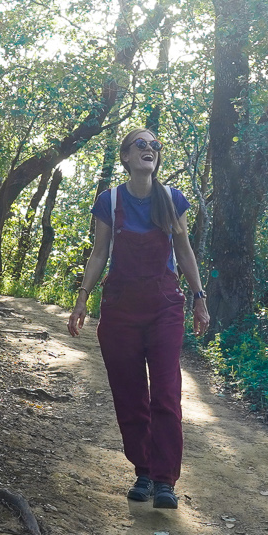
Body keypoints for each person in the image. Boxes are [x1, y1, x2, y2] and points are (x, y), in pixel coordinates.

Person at [66, 128, 212, 509]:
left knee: (165, 394)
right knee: (129, 396)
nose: (150, 150)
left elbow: (184, 252)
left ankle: (165, 480)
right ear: (126, 157)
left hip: (164, 307)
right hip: (120, 309)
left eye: (155, 146)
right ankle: (144, 472)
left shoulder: (172, 200)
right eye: (141, 145)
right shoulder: (109, 200)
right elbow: (99, 254)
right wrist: (82, 299)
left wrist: (199, 297)